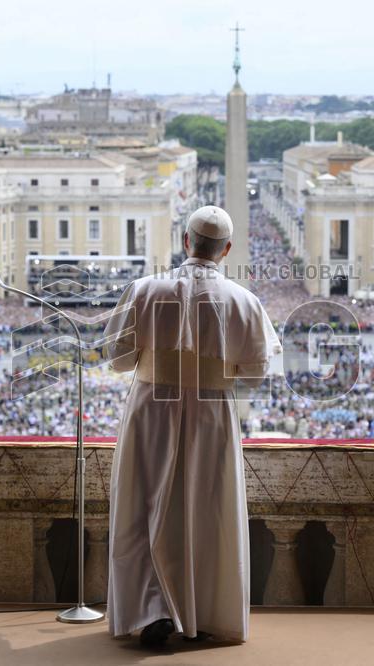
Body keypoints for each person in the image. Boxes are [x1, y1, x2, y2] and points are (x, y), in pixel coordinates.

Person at [104, 205, 282, 647]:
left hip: (151, 411)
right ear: (227, 249)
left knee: (143, 506)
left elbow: (118, 359)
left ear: (185, 241)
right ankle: (202, 612)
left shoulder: (144, 290)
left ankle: (151, 610)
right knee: (208, 509)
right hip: (211, 413)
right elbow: (255, 374)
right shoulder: (244, 301)